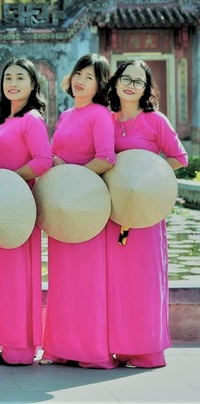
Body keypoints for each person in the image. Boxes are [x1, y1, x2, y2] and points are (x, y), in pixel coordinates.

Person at [105, 60, 187, 368]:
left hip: (144, 216)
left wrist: (149, 178)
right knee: (118, 279)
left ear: (146, 89)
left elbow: (180, 157)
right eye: (126, 78)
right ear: (115, 81)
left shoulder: (155, 121)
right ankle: (121, 347)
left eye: (138, 82)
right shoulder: (107, 120)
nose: (130, 85)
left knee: (144, 279)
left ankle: (146, 349)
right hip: (115, 215)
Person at [40, 53, 117, 369]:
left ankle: (90, 352)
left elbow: (106, 158)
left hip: (86, 207)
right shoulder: (67, 114)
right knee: (63, 281)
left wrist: (73, 175)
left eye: (90, 76)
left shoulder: (100, 114)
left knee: (86, 283)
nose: (81, 80)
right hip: (62, 207)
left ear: (100, 84)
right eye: (78, 73)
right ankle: (61, 349)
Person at [0, 58, 52, 366]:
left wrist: (10, 177)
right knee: (2, 276)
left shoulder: (31, 119)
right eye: (8, 77)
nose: (12, 82)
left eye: (20, 78)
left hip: (19, 204)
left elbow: (42, 160)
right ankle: (9, 344)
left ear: (33, 84)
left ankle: (21, 348)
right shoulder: (4, 120)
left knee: (18, 276)